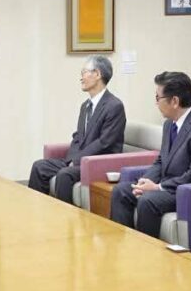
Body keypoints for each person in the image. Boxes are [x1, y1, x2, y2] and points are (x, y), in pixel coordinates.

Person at [110, 71, 191, 237]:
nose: (156, 103)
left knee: (148, 201)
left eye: (158, 98)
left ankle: (146, 249)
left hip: (185, 191)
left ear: (174, 101)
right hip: (166, 186)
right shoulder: (169, 124)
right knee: (121, 191)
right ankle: (122, 244)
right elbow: (162, 160)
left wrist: (158, 187)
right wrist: (144, 182)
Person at [28, 55, 126, 203]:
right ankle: (37, 212)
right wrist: (71, 159)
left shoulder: (114, 106)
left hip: (98, 163)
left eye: (84, 72)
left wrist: (76, 160)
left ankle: (64, 216)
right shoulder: (85, 106)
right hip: (79, 160)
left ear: (97, 74)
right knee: (39, 166)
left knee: (64, 175)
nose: (81, 78)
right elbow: (78, 136)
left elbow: (104, 142)